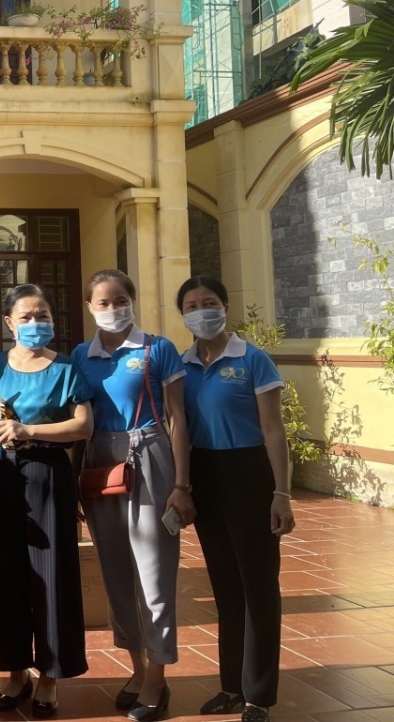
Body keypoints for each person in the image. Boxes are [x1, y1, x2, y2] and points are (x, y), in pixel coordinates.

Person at [71, 270, 195, 721]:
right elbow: (78, 423)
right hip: (101, 462)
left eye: (120, 300)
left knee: (154, 574)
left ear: (133, 300)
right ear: (89, 307)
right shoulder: (81, 356)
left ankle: (158, 679)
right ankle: (137, 668)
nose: (112, 308)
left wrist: (181, 484)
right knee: (116, 575)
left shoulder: (156, 349)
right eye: (102, 302)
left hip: (149, 455)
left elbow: (178, 417)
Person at [178, 276, 294, 722]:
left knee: (258, 585)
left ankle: (258, 695)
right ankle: (231, 686)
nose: (201, 310)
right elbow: (179, 426)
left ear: (225, 307)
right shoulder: (182, 365)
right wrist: (183, 485)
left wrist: (281, 493)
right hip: (206, 475)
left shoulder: (252, 359)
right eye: (191, 304)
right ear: (182, 314)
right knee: (225, 586)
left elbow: (273, 430)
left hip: (250, 474)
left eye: (209, 302)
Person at [0, 283, 93, 719]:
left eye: (42, 315)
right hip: (2, 477)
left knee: (53, 575)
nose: (35, 323)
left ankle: (50, 675)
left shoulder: (66, 368)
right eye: (25, 317)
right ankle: (15, 671)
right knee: (5, 576)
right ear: (8, 323)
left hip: (47, 474)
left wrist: (28, 432)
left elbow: (83, 426)